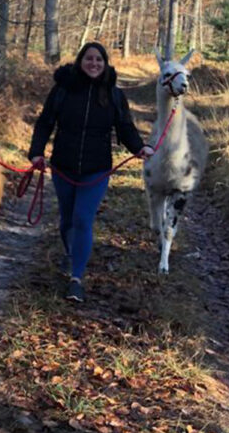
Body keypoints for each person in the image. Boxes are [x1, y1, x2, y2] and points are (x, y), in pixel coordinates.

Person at [27, 42, 153, 302]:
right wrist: (36, 152)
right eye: (89, 59)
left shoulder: (114, 95)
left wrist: (140, 148)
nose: (94, 63)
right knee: (67, 220)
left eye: (99, 60)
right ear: (80, 61)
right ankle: (70, 253)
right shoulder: (62, 89)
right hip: (63, 165)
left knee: (83, 219)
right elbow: (45, 123)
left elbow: (125, 127)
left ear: (105, 64)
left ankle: (76, 279)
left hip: (97, 170)